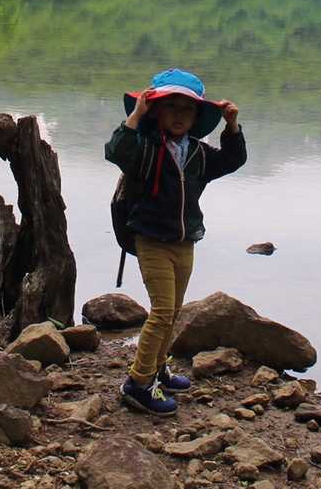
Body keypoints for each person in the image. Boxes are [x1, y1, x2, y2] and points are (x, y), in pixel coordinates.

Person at [104, 67, 246, 415]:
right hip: (151, 240)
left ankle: (158, 368)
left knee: (173, 312)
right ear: (156, 111)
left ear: (197, 117)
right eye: (171, 107)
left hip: (185, 241)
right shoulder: (146, 149)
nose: (179, 115)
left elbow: (233, 159)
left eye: (187, 109)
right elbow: (116, 150)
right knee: (163, 311)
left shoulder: (197, 153)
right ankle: (138, 382)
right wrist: (136, 115)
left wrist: (232, 127)